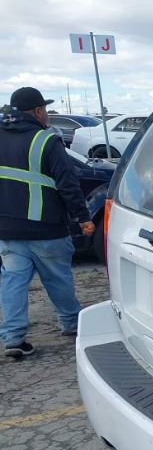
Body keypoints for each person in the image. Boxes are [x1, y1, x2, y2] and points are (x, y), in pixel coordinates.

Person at [0, 87, 95, 358]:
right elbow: (68, 184)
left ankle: (14, 338)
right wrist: (83, 218)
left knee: (13, 282)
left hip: (8, 231)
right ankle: (71, 324)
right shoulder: (46, 140)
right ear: (39, 111)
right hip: (46, 229)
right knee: (57, 279)